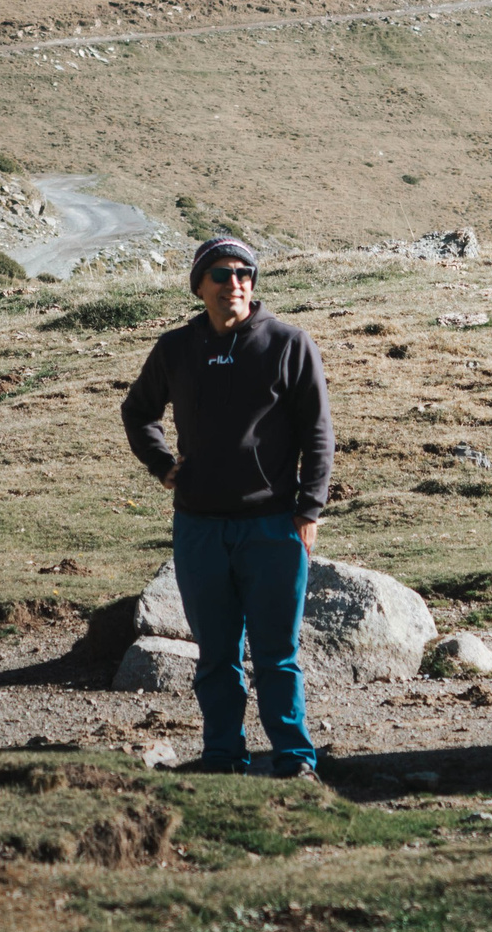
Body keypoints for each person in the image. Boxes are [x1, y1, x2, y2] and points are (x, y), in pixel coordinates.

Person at [122, 236, 334, 777]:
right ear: (199, 286)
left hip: (272, 526)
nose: (234, 283)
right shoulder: (175, 348)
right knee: (215, 656)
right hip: (199, 527)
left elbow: (318, 433)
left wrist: (309, 509)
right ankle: (222, 756)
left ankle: (294, 759)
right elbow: (139, 410)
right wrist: (160, 462)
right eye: (220, 274)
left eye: (245, 273)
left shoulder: (289, 344)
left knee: (276, 656)